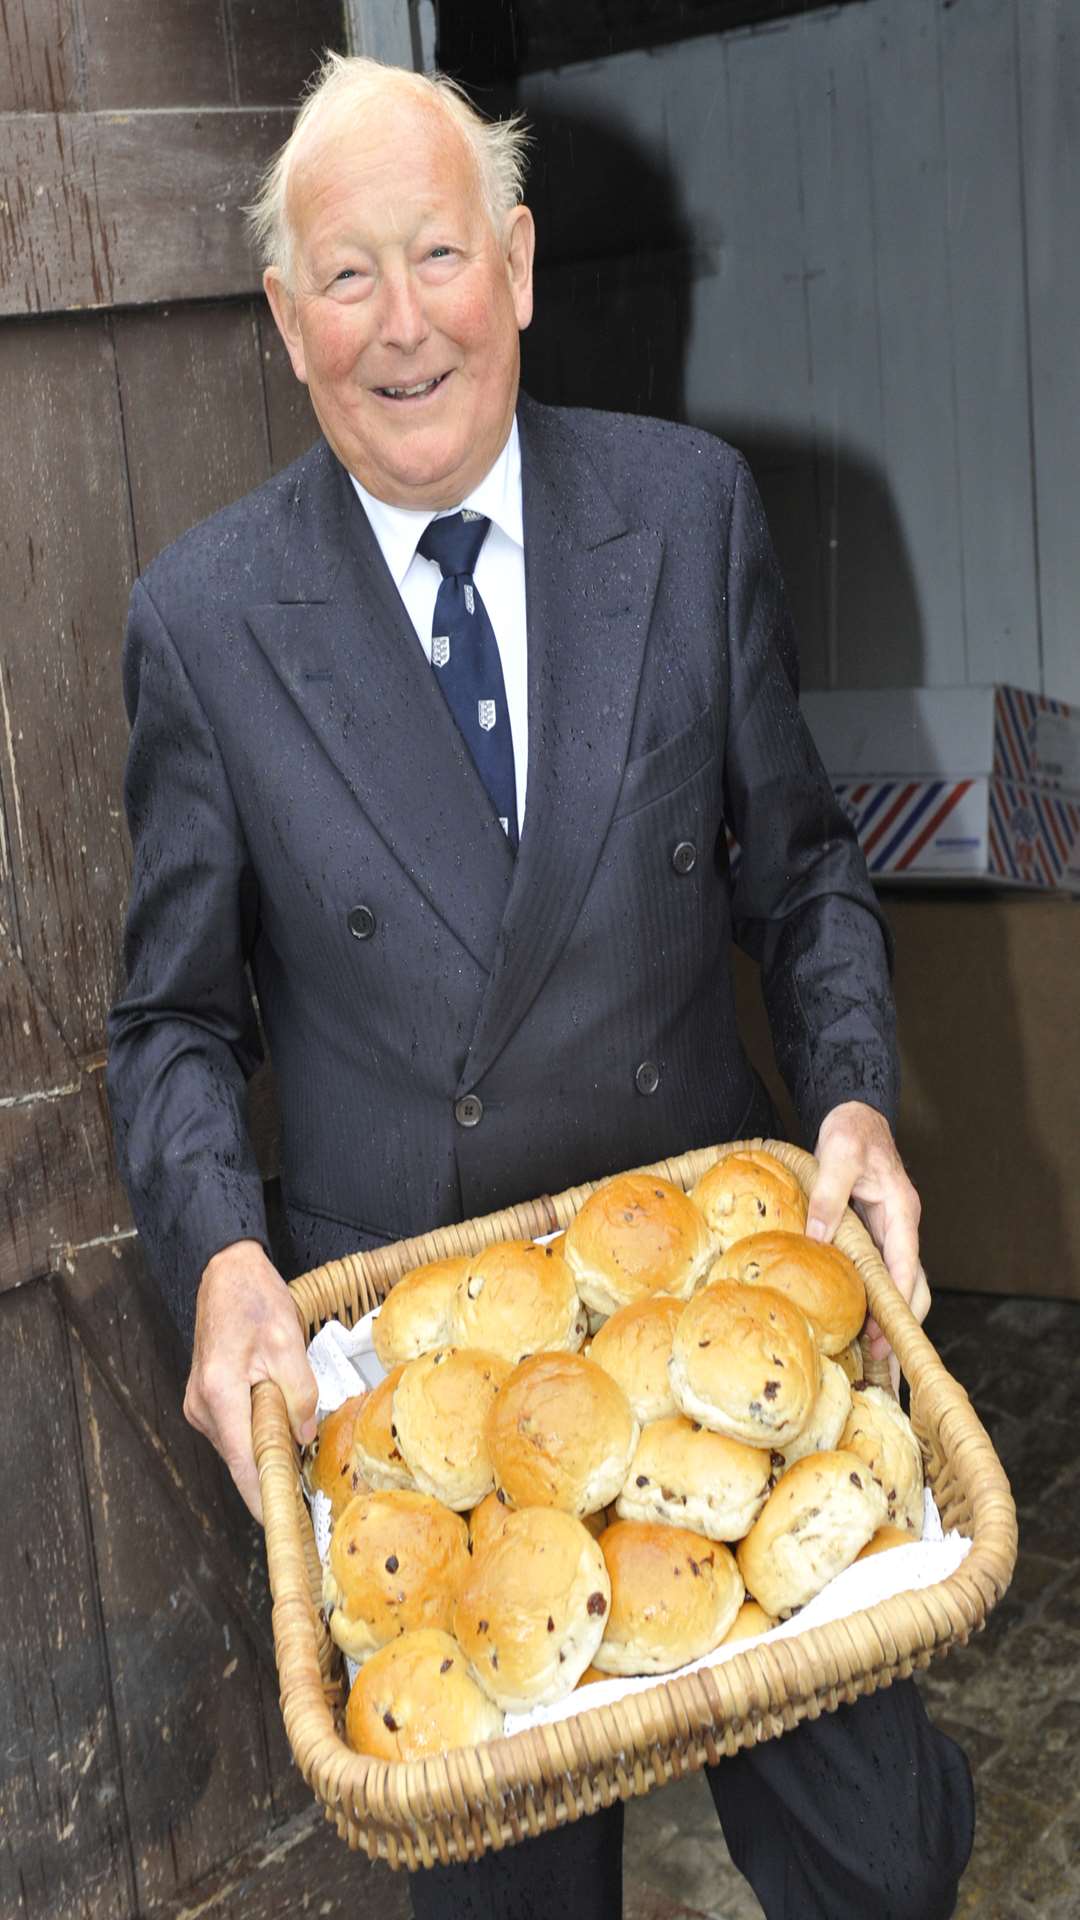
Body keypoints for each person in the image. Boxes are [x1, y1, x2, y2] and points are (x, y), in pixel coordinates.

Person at [106, 51, 972, 1920]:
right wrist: (220, 1254)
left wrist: (847, 1096)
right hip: (425, 1379)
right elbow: (172, 1019)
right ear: (283, 319)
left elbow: (806, 873)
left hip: (706, 1293)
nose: (401, 324)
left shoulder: (687, 512)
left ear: (513, 262)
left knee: (881, 1859)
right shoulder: (201, 621)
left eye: (436, 256)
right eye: (346, 276)